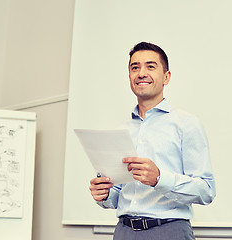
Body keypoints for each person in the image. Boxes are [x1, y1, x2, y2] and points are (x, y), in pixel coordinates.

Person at [89, 42, 216, 240]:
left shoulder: (186, 124)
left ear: (166, 77)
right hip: (124, 231)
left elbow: (206, 190)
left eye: (150, 66)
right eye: (135, 67)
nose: (141, 73)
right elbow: (118, 196)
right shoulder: (121, 131)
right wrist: (104, 194)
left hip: (169, 231)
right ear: (129, 77)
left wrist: (159, 178)